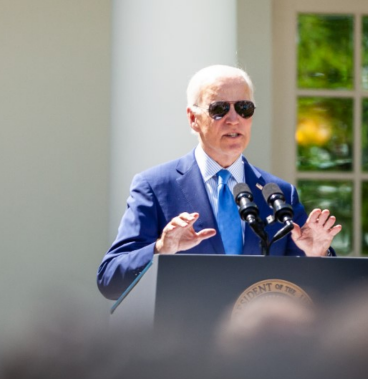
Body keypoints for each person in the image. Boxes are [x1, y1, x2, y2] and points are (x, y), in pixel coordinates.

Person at [97, 65, 341, 299]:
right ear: (193, 118)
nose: (234, 119)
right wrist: (161, 249)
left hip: (261, 339)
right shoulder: (156, 186)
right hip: (185, 337)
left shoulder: (278, 193)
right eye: (219, 109)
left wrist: (316, 256)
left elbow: (307, 290)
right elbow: (110, 279)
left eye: (244, 108)